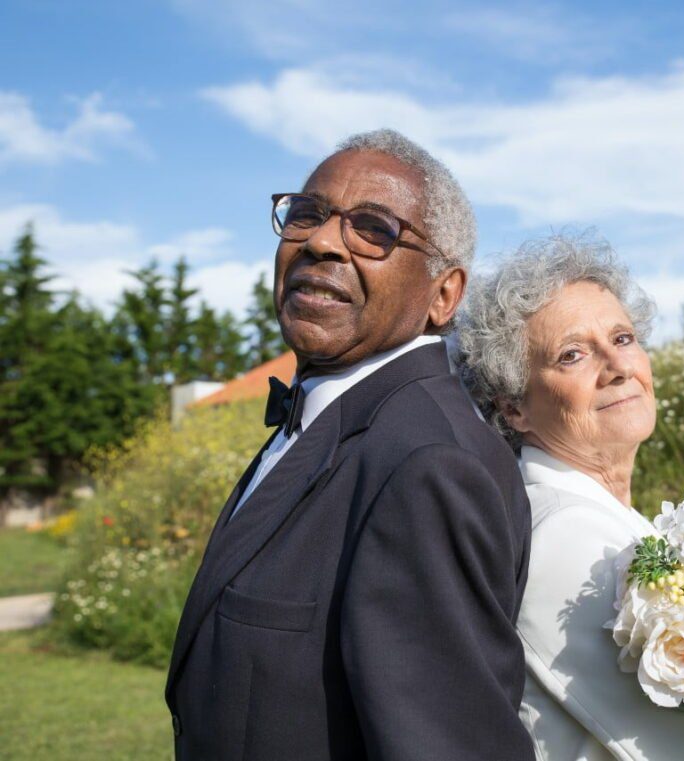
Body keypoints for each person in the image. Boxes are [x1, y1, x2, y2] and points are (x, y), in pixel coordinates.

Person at [166, 129, 535, 761]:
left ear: (444, 295)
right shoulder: (325, 416)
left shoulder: (429, 465)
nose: (319, 240)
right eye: (306, 214)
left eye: (373, 228)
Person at [458, 232, 684, 761]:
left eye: (622, 339)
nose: (617, 366)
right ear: (513, 409)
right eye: (572, 354)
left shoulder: (601, 517)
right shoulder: (566, 534)